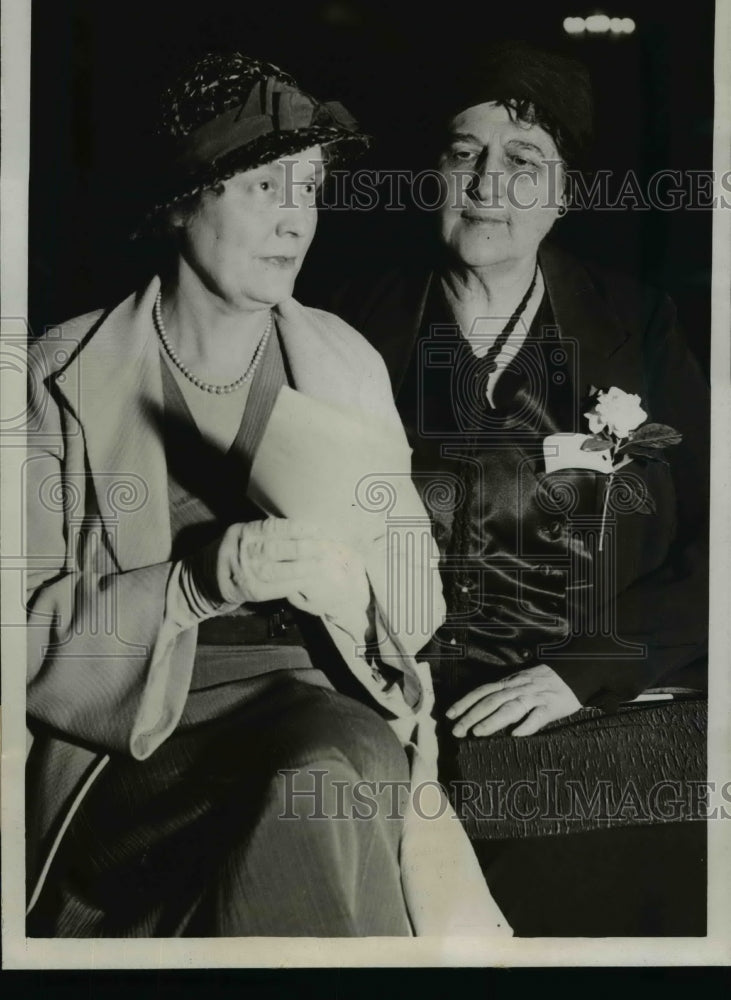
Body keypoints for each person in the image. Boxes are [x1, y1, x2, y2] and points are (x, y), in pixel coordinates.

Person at [24, 52, 453, 938]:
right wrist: (188, 587)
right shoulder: (55, 376)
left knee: (318, 776)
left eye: (310, 189)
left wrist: (359, 596)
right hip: (137, 747)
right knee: (306, 796)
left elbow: (421, 598)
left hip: (324, 706)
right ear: (182, 201)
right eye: (264, 186)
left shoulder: (345, 361)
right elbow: (16, 636)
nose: (295, 219)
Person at [333, 42, 709, 740]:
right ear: (432, 175)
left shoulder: (638, 327)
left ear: (564, 193)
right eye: (463, 154)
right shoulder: (343, 326)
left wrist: (583, 668)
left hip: (585, 708)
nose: (485, 184)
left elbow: (717, 539)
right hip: (388, 706)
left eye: (522, 162)